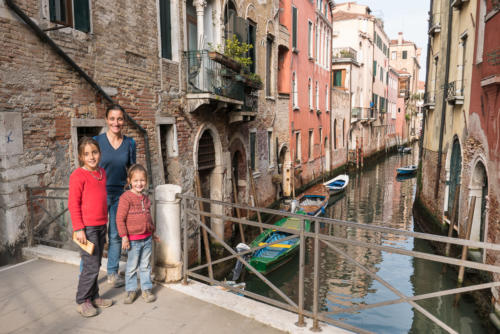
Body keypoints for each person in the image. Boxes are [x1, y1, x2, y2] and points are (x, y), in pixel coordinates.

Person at [68, 137, 113, 317]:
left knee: (96, 262)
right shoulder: (78, 175)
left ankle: (94, 296)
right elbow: (73, 203)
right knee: (90, 265)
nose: (91, 157)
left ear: (99, 154)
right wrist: (79, 228)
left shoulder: (102, 172)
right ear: (81, 157)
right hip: (87, 229)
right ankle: (82, 300)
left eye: (94, 152)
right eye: (87, 154)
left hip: (101, 225)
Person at [94, 104, 136, 287]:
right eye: (112, 119)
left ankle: (112, 273)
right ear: (106, 120)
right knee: (96, 235)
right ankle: (89, 273)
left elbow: (133, 169)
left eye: (119, 119)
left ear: (124, 121)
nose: (116, 123)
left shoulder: (130, 143)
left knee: (116, 235)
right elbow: (90, 169)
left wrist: (132, 192)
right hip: (100, 194)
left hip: (120, 195)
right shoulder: (97, 141)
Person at [116, 164, 158, 304]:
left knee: (145, 266)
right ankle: (131, 290)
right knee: (132, 266)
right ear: (129, 181)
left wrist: (153, 233)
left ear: (146, 181)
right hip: (133, 240)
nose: (139, 183)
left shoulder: (145, 198)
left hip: (146, 239)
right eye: (136, 181)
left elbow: (148, 217)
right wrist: (124, 237)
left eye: (142, 180)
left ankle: (146, 289)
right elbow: (120, 219)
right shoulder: (126, 198)